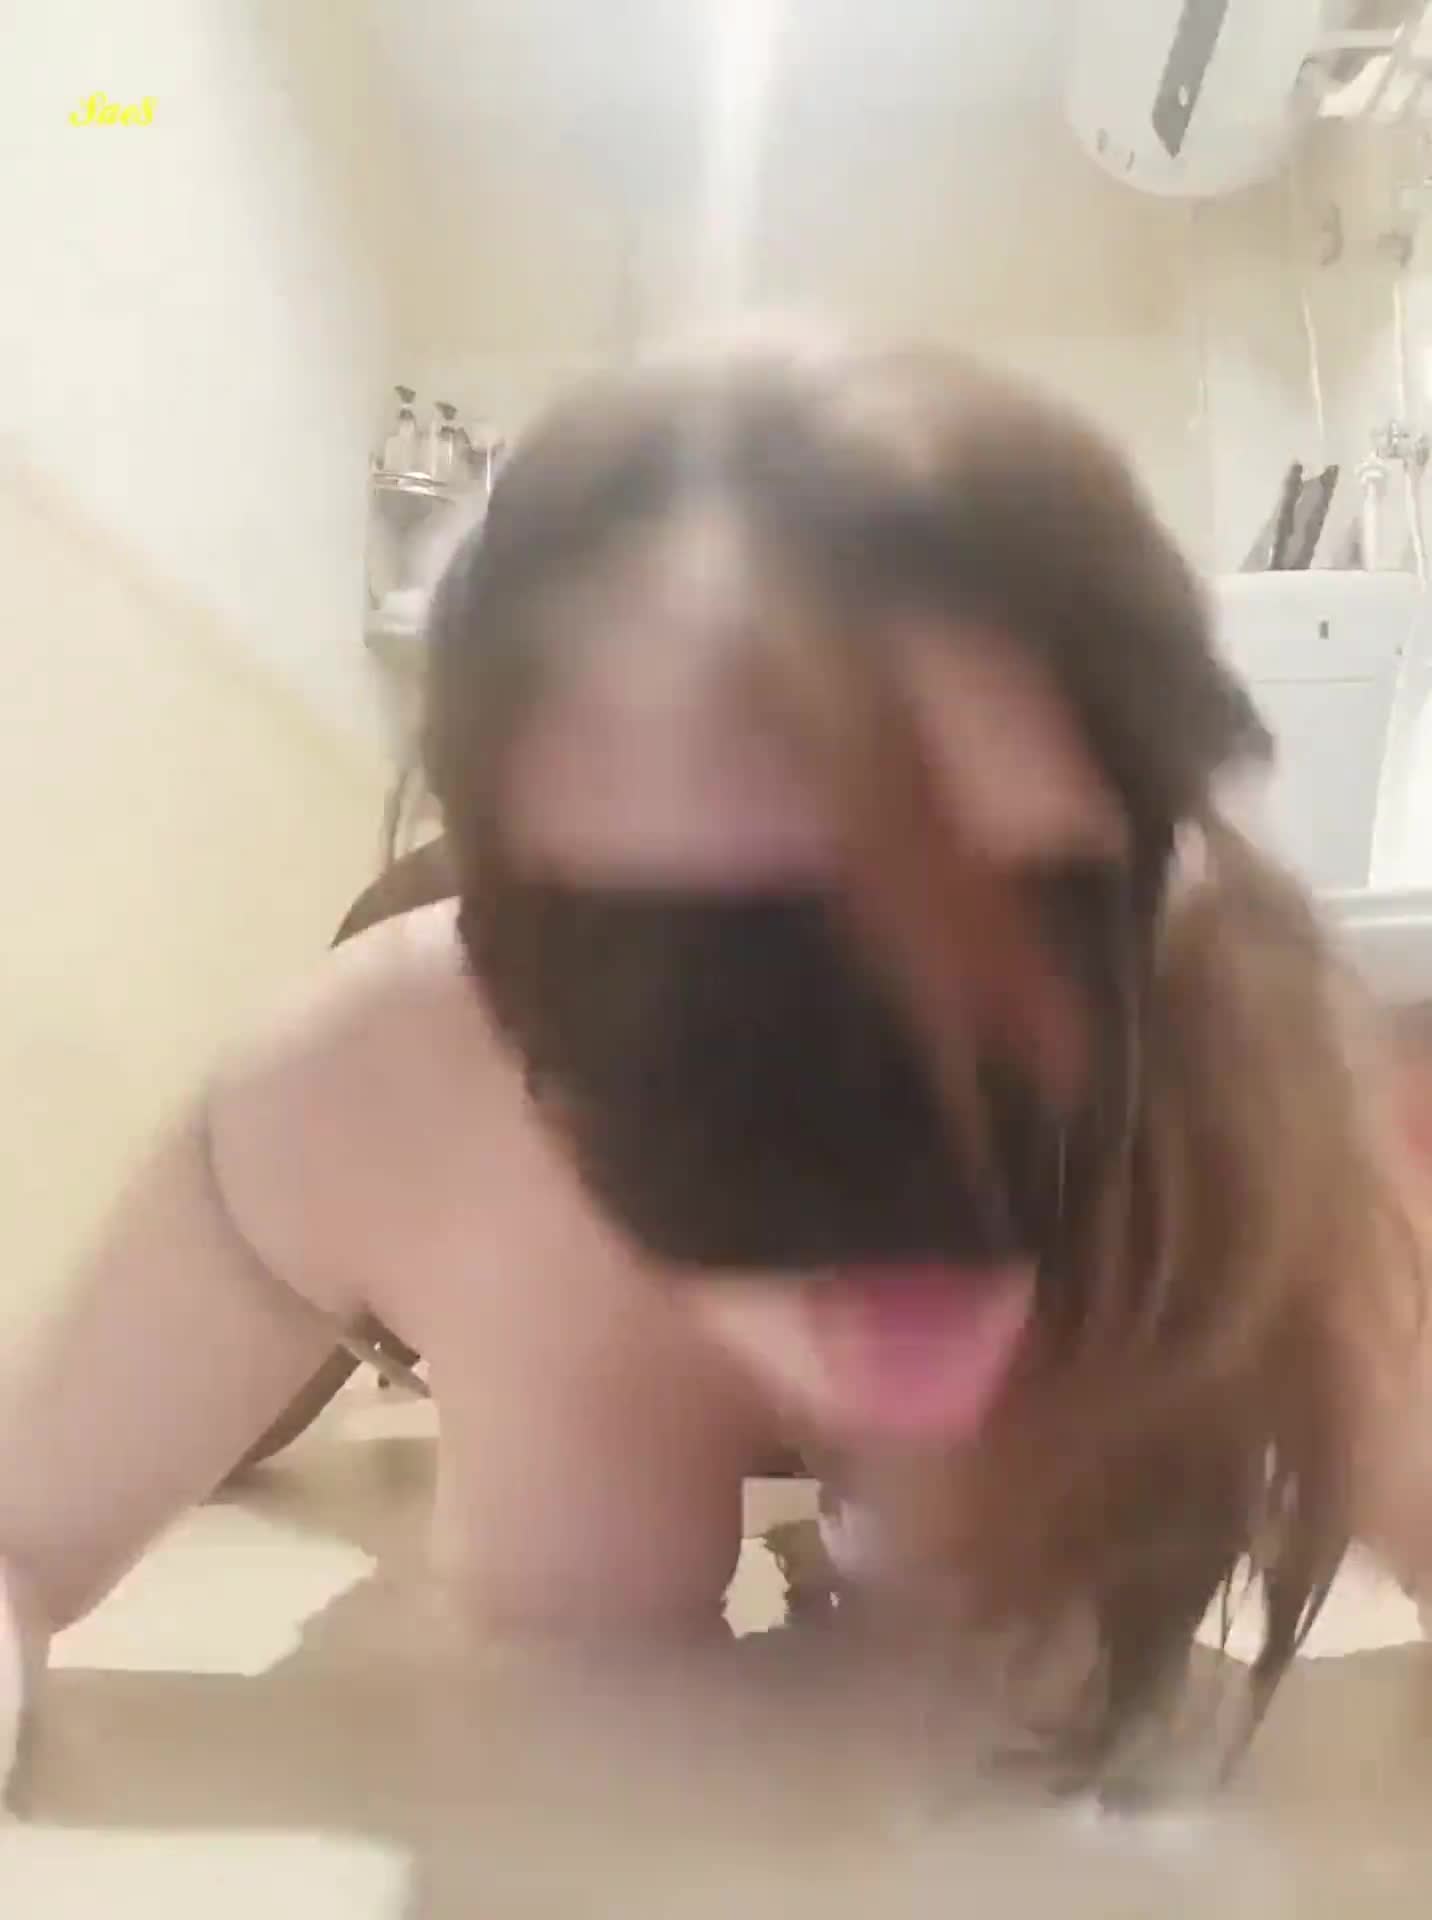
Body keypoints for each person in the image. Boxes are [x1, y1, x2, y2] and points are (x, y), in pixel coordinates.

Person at [0, 338, 1425, 1798]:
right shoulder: (381, 1076)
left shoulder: (1244, 1055)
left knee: (976, 1592)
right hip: (445, 1099)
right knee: (565, 1587)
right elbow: (22, 1537)